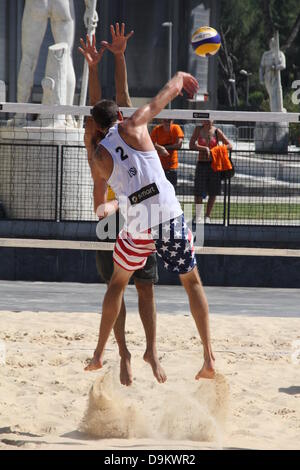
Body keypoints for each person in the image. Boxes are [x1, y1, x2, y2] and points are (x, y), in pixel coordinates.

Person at [83, 69, 216, 380]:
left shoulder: (98, 156)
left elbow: (99, 205)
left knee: (117, 283)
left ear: (98, 127)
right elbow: (162, 98)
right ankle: (208, 358)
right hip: (167, 215)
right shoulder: (136, 123)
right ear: (120, 114)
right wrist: (181, 78)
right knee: (192, 282)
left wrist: (111, 204)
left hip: (137, 222)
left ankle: (100, 354)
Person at [79, 24, 166, 386]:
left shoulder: (125, 128)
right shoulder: (96, 139)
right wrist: (94, 68)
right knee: (117, 288)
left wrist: (118, 57)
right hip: (111, 218)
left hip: (139, 212)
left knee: (144, 286)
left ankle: (150, 350)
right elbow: (97, 108)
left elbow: (121, 99)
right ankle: (125, 353)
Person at [17, 0, 97, 108]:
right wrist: (90, 7)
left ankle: (20, 115)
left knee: (28, 58)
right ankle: (68, 115)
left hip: (36, 4)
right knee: (67, 57)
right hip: (63, 4)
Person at [189, 120, 232, 224]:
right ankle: (198, 215)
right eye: (205, 119)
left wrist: (216, 149)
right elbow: (191, 145)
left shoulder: (217, 131)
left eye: (209, 119)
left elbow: (229, 145)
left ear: (213, 120)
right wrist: (204, 148)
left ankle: (208, 215)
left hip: (214, 165)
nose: (207, 121)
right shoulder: (198, 129)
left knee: (213, 191)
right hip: (201, 163)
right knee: (198, 191)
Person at [150, 119, 184, 190]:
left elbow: (179, 145)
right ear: (162, 121)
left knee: (172, 190)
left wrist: (163, 148)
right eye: (165, 120)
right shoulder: (157, 129)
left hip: (172, 166)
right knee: (159, 190)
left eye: (169, 120)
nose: (167, 122)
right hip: (159, 166)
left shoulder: (176, 128)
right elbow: (150, 143)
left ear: (172, 121)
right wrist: (161, 148)